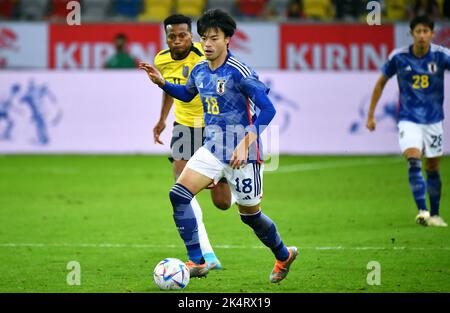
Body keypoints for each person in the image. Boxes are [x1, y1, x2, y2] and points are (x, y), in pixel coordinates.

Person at [140, 9, 298, 283]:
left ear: (228, 40)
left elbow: (269, 110)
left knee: (250, 217)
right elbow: (187, 94)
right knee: (178, 195)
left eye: (214, 38)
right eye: (204, 38)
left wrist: (245, 143)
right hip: (213, 148)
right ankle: (197, 261)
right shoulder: (200, 69)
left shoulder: (241, 73)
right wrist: (163, 83)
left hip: (244, 155)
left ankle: (283, 254)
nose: (208, 44)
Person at [153, 14, 235, 269]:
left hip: (212, 128)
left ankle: (226, 178)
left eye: (182, 35)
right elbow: (170, 88)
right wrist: (162, 119)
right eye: (172, 36)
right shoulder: (161, 59)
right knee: (181, 188)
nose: (177, 40)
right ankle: (206, 255)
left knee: (222, 203)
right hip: (184, 126)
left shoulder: (205, 54)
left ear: (191, 35)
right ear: (166, 37)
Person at [366, 15, 450, 227]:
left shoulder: (441, 56)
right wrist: (370, 115)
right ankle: (423, 211)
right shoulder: (399, 57)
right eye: (418, 31)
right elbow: (380, 84)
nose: (422, 35)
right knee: (413, 159)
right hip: (408, 119)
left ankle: (436, 214)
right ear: (411, 34)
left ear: (432, 33)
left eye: (426, 31)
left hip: (434, 120)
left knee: (432, 166)